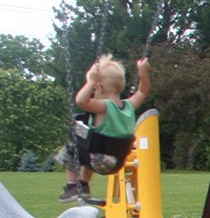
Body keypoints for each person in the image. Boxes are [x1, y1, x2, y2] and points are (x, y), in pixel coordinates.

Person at [62, 54, 151, 203]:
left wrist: (90, 81)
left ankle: (72, 187)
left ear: (98, 87)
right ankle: (83, 184)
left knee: (72, 149)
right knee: (89, 148)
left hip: (99, 160)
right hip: (117, 161)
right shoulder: (129, 105)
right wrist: (143, 73)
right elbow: (142, 92)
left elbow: (81, 101)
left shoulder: (104, 107)